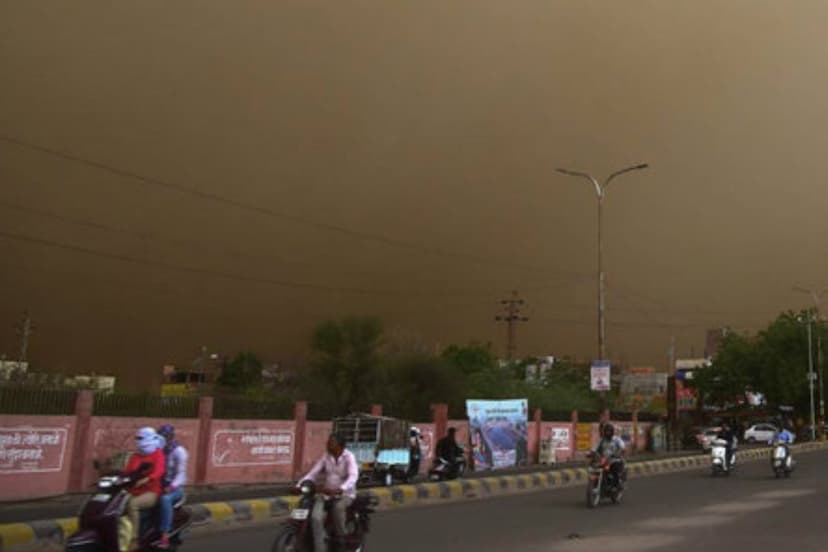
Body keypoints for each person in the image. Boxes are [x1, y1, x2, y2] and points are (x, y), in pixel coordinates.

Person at [298, 433, 359, 552]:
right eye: (328, 442)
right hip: (326, 494)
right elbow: (313, 473)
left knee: (338, 508)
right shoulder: (326, 456)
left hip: (345, 495)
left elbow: (353, 476)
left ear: (340, 446)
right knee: (315, 517)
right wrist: (299, 485)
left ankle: (342, 539)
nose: (328, 444)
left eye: (331, 442)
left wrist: (341, 488)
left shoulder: (349, 457)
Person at [124, 427, 166, 551]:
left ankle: (134, 539)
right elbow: (127, 471)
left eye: (140, 438)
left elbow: (159, 471)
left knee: (132, 505)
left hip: (151, 492)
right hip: (134, 490)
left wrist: (147, 479)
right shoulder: (136, 456)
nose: (138, 440)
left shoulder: (157, 454)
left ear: (148, 438)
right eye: (137, 438)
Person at [156, 424, 188, 550]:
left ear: (171, 437)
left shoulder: (179, 452)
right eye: (160, 437)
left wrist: (172, 486)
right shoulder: (158, 450)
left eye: (165, 437)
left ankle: (165, 534)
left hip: (175, 488)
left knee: (165, 499)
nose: (163, 439)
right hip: (159, 485)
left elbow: (181, 474)